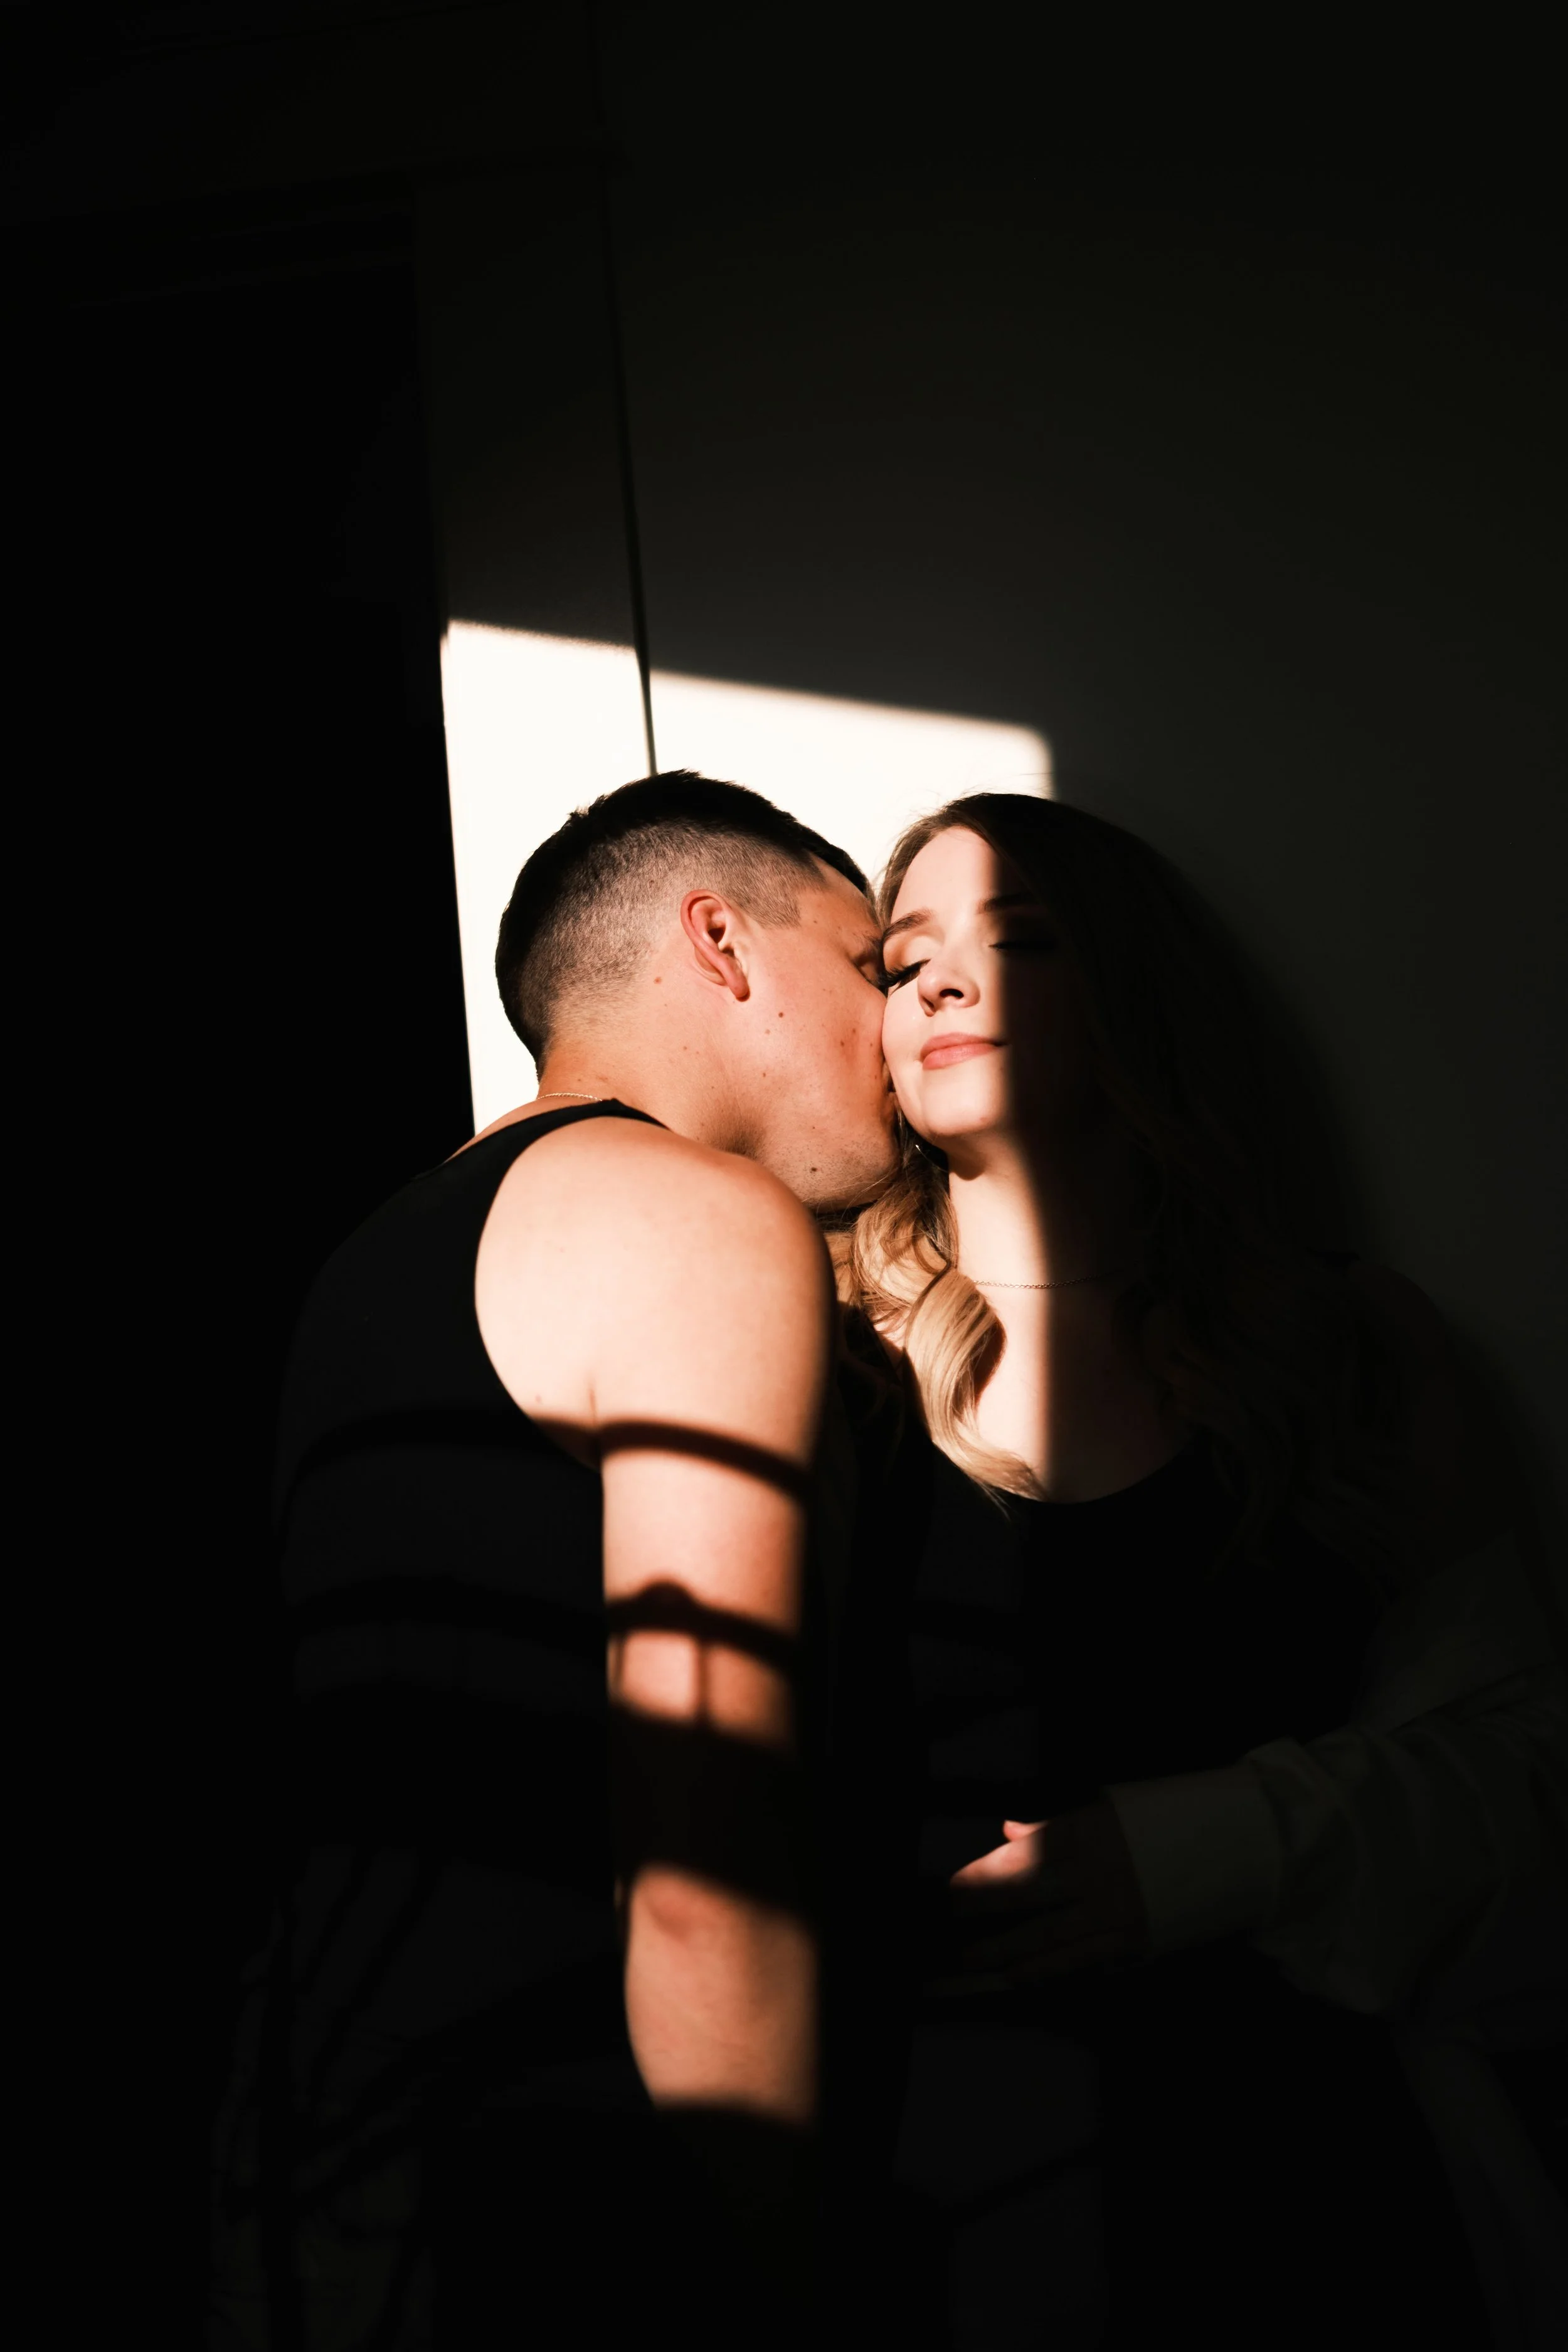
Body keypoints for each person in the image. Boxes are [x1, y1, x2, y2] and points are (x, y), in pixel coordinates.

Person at [833, 794, 1567, 2350]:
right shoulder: (808, 1355)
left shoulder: (1346, 1342)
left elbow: (1527, 1772)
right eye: (905, 963)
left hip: (1303, 2176)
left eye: (1019, 941)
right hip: (937, 2191)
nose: (946, 987)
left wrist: (1202, 1850)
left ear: (1137, 994)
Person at [208, 771, 899, 2350]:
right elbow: (701, 1872)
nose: (894, 1030)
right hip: (566, 2190)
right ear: (720, 942)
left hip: (327, 2122)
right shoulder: (692, 1224)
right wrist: (786, 2271)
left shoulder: (376, 1257)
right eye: (863, 964)